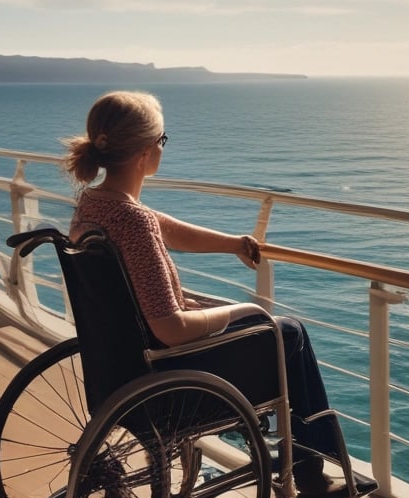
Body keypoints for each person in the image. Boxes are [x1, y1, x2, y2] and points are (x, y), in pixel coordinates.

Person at [63, 90, 344, 496]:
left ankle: (305, 462)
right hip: (165, 376)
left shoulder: (94, 204)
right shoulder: (133, 221)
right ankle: (312, 470)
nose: (163, 148)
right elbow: (171, 329)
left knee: (259, 324)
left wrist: (232, 243)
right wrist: (241, 310)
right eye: (163, 140)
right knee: (288, 332)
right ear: (145, 153)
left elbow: (168, 230)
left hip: (116, 368)